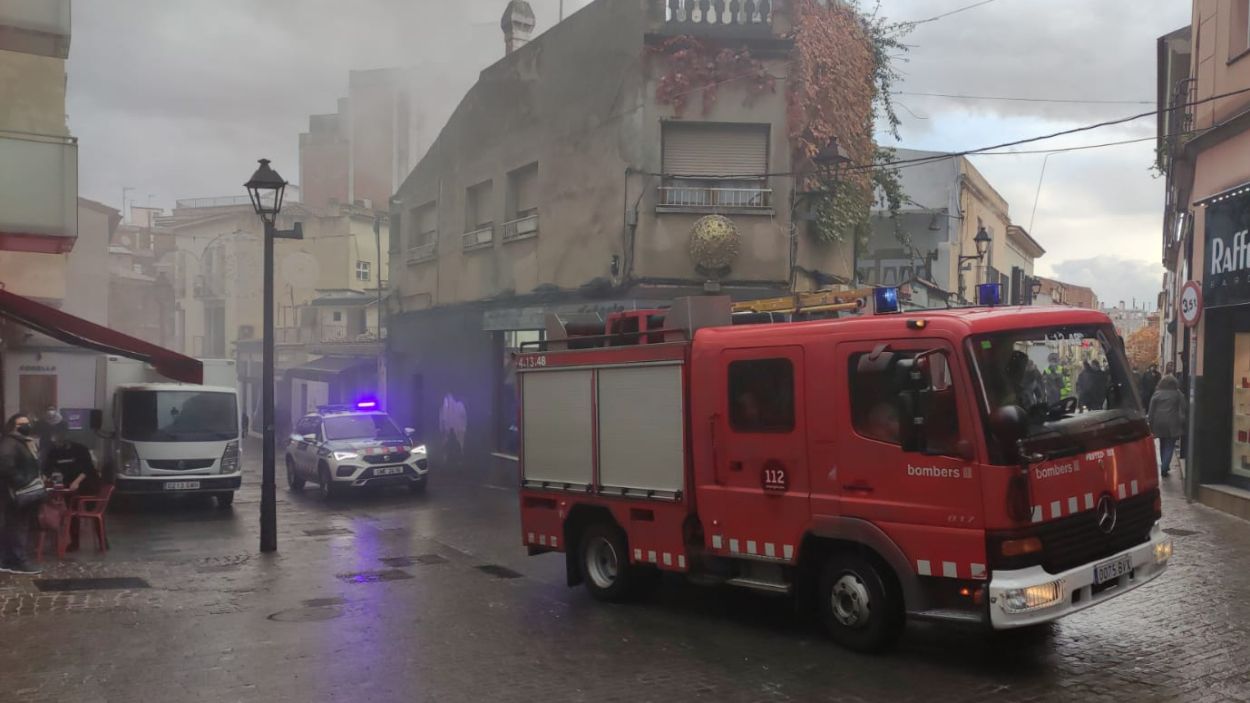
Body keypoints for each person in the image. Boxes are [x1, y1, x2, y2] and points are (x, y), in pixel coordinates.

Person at [42, 429, 100, 552]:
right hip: (69, 485)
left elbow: (88, 468)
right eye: (55, 441)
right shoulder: (54, 451)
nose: (57, 443)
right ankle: (74, 543)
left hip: (87, 484)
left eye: (59, 441)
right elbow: (47, 469)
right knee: (71, 512)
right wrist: (44, 478)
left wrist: (77, 481)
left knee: (90, 511)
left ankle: (101, 540)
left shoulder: (80, 449)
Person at [0, 414, 44, 574]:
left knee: (13, 525)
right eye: (21, 424)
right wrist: (25, 482)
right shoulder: (10, 443)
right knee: (18, 526)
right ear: (13, 426)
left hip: (18, 491)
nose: (26, 426)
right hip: (15, 493)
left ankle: (7, 560)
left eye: (27, 422)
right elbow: (6, 468)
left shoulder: (22, 442)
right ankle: (19, 561)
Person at [1148, 374, 1187, 478]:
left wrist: (1150, 423)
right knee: (1169, 445)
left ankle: (1165, 464)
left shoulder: (1157, 394)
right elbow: (1183, 407)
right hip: (1172, 423)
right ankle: (1164, 467)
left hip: (1158, 422)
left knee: (1162, 443)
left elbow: (1151, 411)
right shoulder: (1178, 394)